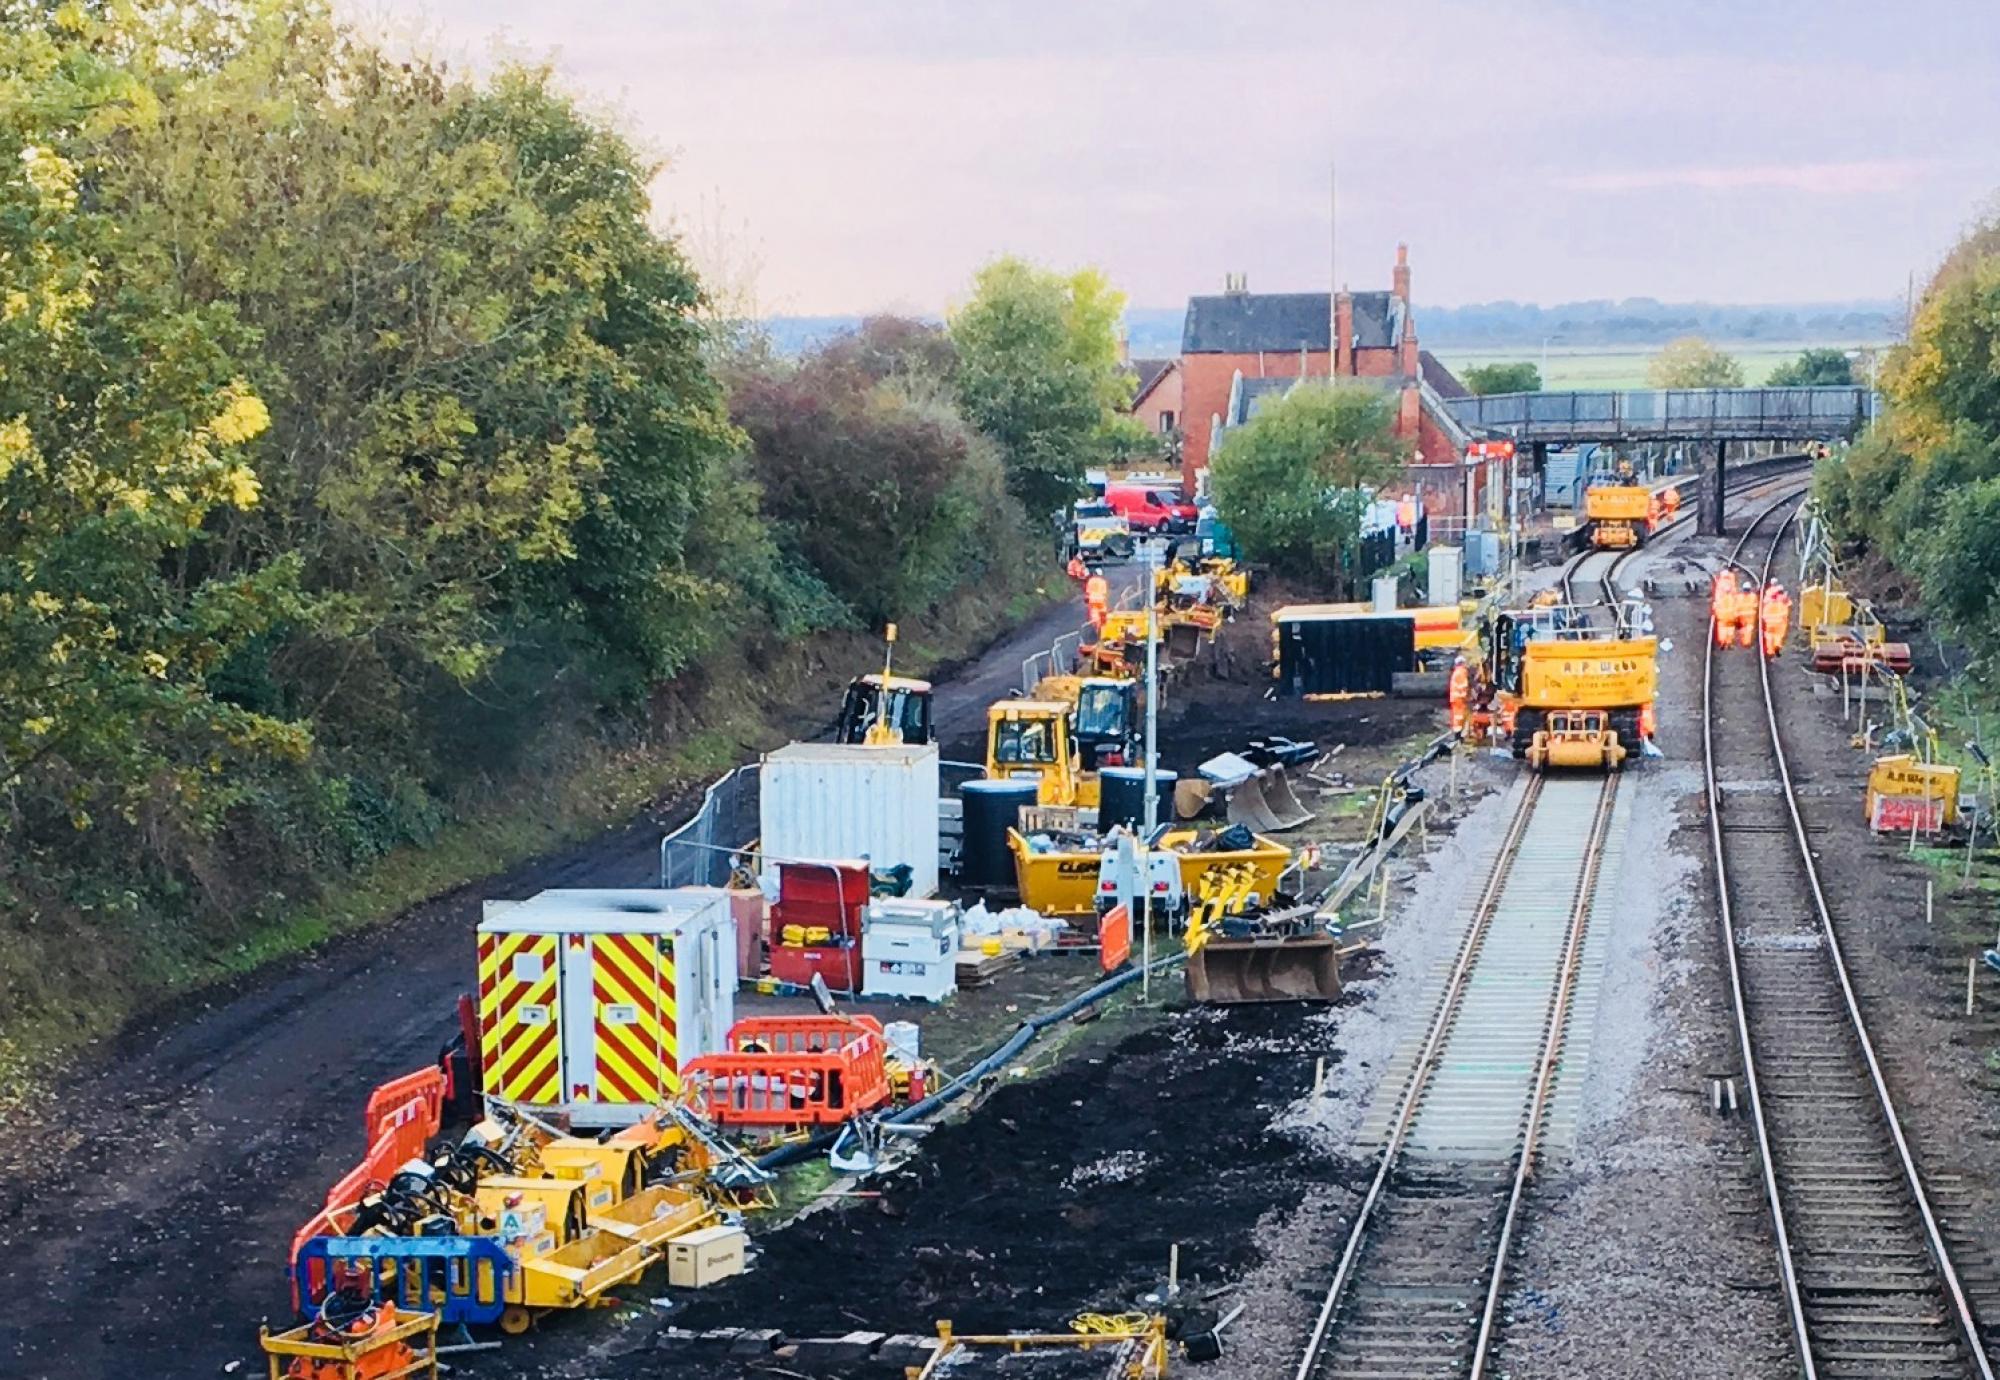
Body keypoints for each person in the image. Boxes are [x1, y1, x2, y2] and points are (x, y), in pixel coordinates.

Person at [1761, 580, 1792, 658]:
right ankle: (1777, 646)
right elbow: (1787, 609)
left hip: (1770, 624)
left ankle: (1770, 651)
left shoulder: (1769, 604)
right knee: (1778, 636)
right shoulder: (1781, 603)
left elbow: (1764, 615)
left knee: (1769, 636)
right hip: (1779, 624)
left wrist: (1765, 621)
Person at [1710, 569, 1739, 648]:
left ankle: (1723, 641)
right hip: (1731, 614)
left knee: (1722, 628)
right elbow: (1736, 601)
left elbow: (1716, 601)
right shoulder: (1732, 587)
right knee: (1730, 628)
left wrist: (1714, 611)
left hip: (1721, 615)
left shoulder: (1720, 586)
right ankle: (1729, 642)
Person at [1447, 656, 1471, 733]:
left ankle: (1457, 732)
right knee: (1460, 716)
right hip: (1460, 698)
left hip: (1454, 697)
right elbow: (1464, 686)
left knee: (1456, 716)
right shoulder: (1462, 672)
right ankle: (1459, 734)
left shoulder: (1456, 672)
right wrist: (1467, 697)